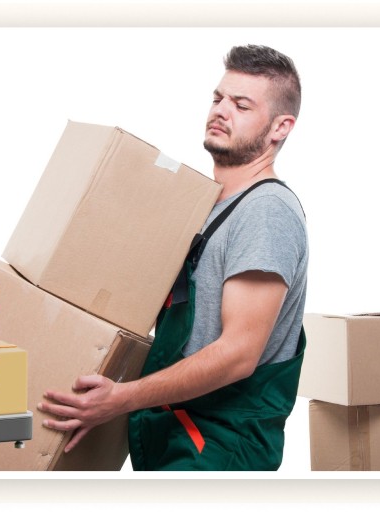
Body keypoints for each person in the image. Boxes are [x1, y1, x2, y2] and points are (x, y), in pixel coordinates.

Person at [37, 44, 308, 471]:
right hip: (178, 434)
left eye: (241, 104)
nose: (221, 110)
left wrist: (121, 399)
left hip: (220, 449)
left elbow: (239, 352)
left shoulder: (266, 212)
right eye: (218, 98)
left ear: (280, 127)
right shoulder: (208, 204)